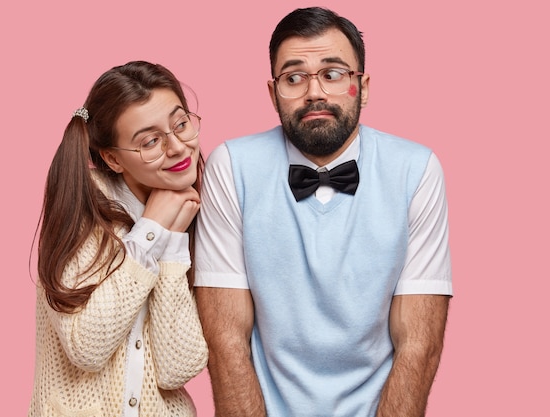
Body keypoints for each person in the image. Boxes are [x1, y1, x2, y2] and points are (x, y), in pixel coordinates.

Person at [194, 7, 452, 417]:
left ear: (362, 86)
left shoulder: (416, 169)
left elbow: (419, 343)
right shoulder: (232, 165)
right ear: (273, 92)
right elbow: (225, 341)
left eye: (333, 74)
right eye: (294, 78)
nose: (314, 92)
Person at [29, 61, 208, 417]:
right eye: (151, 141)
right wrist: (151, 231)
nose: (177, 147)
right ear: (112, 158)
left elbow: (179, 368)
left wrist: (172, 244)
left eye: (181, 124)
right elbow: (87, 347)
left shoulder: (197, 211)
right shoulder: (81, 206)